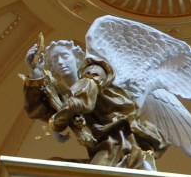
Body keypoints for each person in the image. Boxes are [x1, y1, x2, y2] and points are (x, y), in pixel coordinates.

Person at [22, 40, 166, 170]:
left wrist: (55, 124)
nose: (60, 62)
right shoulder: (65, 95)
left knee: (96, 176)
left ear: (77, 58)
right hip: (101, 146)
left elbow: (82, 102)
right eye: (55, 59)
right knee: (52, 167)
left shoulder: (94, 72)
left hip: (118, 141)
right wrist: (35, 73)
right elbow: (36, 111)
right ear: (52, 67)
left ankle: (135, 160)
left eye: (64, 56)